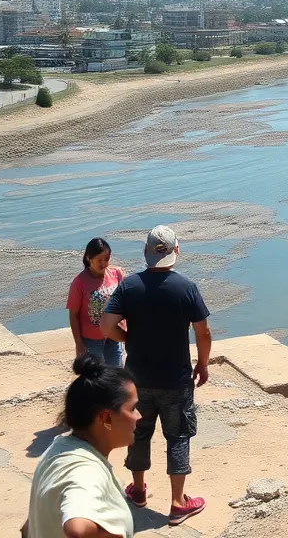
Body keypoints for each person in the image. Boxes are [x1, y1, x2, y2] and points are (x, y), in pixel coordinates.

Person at [100, 225, 211, 527]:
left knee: (138, 433)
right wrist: (202, 363)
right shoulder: (186, 287)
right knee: (177, 436)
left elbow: (106, 325)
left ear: (146, 252)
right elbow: (203, 331)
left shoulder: (130, 286)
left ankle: (137, 490)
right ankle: (178, 503)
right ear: (177, 251)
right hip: (176, 380)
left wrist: (126, 339)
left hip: (138, 379)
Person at [22, 354, 139, 538]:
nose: (138, 416)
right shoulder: (86, 471)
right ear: (106, 418)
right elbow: (78, 530)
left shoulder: (57, 448)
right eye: (132, 408)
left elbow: (28, 529)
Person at [67, 238, 125, 367]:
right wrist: (78, 342)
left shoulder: (117, 274)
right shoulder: (79, 282)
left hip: (114, 336)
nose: (104, 264)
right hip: (91, 341)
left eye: (107, 259)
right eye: (99, 260)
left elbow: (125, 304)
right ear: (89, 258)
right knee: (96, 378)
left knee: (115, 376)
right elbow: (73, 314)